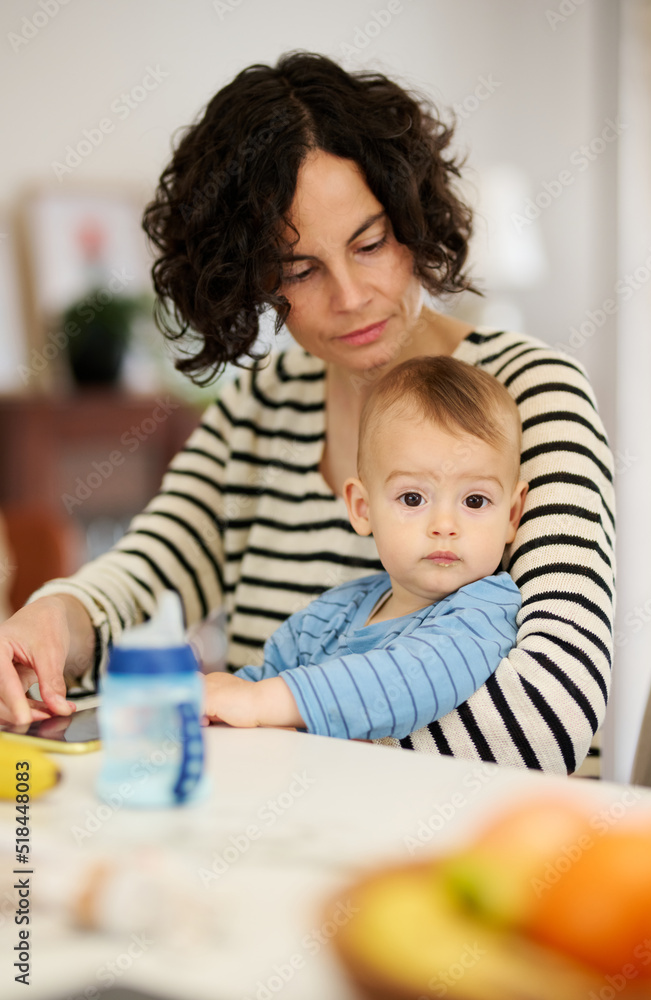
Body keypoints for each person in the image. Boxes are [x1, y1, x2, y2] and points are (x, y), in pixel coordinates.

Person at [0, 52, 614, 774]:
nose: (349, 296)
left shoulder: (531, 393)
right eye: (299, 270)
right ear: (251, 280)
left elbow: (548, 717)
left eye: (371, 243)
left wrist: (274, 729)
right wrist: (52, 618)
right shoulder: (261, 405)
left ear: (413, 217)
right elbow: (144, 575)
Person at [203, 355, 528, 740]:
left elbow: (409, 679)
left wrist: (260, 702)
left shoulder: (485, 611)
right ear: (362, 508)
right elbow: (253, 688)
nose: (445, 526)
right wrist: (213, 702)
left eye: (474, 501)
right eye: (412, 498)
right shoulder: (328, 617)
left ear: (511, 515)